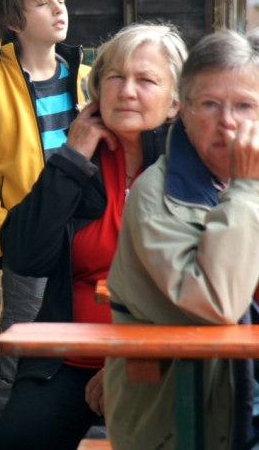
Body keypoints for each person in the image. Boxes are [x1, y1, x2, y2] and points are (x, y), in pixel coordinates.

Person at [0, 23, 187, 450]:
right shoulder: (77, 163)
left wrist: (125, 365)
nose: (126, 91)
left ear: (175, 102)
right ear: (96, 90)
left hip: (167, 360)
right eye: (115, 77)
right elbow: (24, 255)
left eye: (146, 80)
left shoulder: (194, 171)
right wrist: (72, 157)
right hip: (66, 361)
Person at [104, 29, 259, 450]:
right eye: (210, 105)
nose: (228, 122)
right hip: (184, 420)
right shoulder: (156, 196)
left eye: (244, 105)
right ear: (184, 113)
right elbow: (217, 303)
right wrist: (247, 189)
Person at [0, 0, 91, 440]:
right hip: (31, 246)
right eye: (43, 3)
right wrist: (10, 234)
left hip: (89, 241)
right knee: (19, 365)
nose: (59, 9)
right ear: (15, 23)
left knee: (97, 356)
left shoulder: (88, 81)